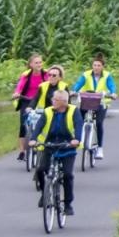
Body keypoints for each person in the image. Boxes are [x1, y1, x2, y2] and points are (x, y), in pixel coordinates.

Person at [30, 87, 81, 216]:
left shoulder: (74, 111)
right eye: (53, 99)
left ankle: (68, 204)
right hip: (50, 145)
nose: (52, 101)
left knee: (67, 175)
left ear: (64, 102)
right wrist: (33, 139)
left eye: (55, 99)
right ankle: (45, 193)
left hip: (67, 146)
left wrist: (77, 139)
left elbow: (78, 125)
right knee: (41, 170)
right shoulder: (48, 111)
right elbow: (39, 126)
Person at [72, 54, 116, 160]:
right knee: (79, 121)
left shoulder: (107, 75)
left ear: (102, 67)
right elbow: (79, 84)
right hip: (86, 101)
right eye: (94, 65)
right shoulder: (86, 74)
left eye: (98, 65)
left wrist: (113, 93)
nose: (96, 67)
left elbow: (112, 85)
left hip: (101, 102)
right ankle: (79, 140)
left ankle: (100, 148)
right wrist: (74, 91)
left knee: (99, 123)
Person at [12, 54, 46, 156]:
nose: (39, 64)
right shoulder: (26, 75)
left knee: (44, 122)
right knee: (23, 124)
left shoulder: (46, 74)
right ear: (31, 64)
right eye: (36, 63)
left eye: (40, 62)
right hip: (26, 100)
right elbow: (20, 86)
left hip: (41, 101)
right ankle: (22, 151)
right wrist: (17, 93)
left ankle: (43, 144)